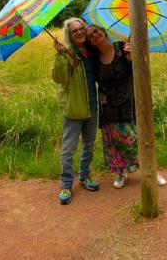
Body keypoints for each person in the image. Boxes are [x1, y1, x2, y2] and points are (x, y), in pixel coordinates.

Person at [85, 24, 167, 189]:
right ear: (90, 43)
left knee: (135, 138)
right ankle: (121, 171)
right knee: (114, 141)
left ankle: (150, 170)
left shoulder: (123, 47)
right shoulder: (93, 58)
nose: (94, 35)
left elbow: (139, 71)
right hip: (107, 105)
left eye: (96, 31)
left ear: (103, 31)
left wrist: (131, 57)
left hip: (127, 102)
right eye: (90, 36)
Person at [52, 18, 99, 205]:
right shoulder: (68, 53)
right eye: (74, 31)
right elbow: (60, 79)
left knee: (89, 144)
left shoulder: (91, 51)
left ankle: (85, 175)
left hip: (92, 105)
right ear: (69, 35)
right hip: (73, 107)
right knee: (69, 148)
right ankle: (66, 183)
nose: (79, 32)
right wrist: (61, 56)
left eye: (81, 29)